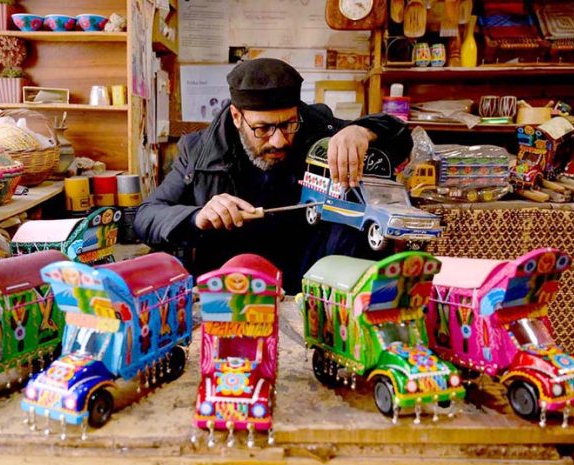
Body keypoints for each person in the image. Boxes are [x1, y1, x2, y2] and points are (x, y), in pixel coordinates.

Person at [134, 58, 412, 292]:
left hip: (308, 291)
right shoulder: (199, 152)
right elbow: (146, 216)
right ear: (236, 117)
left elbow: (400, 139)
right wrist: (197, 216)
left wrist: (363, 130)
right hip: (230, 293)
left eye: (288, 124)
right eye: (263, 129)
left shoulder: (319, 132)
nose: (279, 141)